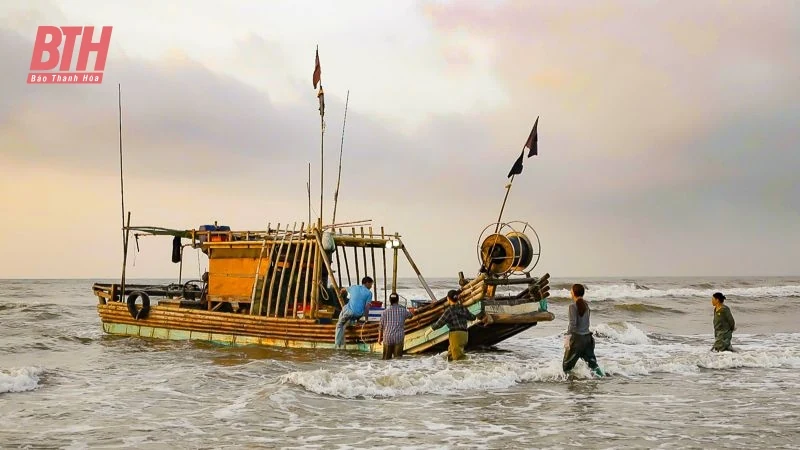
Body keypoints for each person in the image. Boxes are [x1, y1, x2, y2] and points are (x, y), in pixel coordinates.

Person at [425, 289, 484, 361]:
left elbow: (440, 323)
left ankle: (467, 368)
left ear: (448, 298)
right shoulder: (463, 308)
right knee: (451, 355)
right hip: (465, 334)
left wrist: (429, 330)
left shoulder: (449, 310)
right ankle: (452, 370)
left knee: (458, 358)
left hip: (456, 335)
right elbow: (472, 317)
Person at [562, 284, 603, 376]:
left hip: (577, 340)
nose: (570, 292)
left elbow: (573, 324)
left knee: (566, 367)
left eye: (571, 290)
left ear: (573, 293)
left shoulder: (572, 307)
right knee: (593, 365)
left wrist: (567, 338)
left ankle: (569, 385)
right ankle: (603, 379)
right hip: (587, 339)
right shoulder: (586, 305)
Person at [335, 276, 374, 348]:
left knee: (339, 324)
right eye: (371, 284)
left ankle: (337, 344)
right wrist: (366, 319)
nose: (371, 286)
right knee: (347, 310)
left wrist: (340, 292)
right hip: (359, 314)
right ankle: (350, 322)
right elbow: (367, 307)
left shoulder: (354, 287)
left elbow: (344, 289)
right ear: (367, 283)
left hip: (349, 312)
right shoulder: (369, 293)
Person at [378, 293, 414, 360]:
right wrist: (412, 311)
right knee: (397, 359)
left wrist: (379, 338)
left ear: (390, 301)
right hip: (398, 337)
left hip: (387, 337)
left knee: (386, 359)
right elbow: (410, 316)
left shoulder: (384, 312)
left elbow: (381, 326)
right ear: (398, 300)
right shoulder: (402, 310)